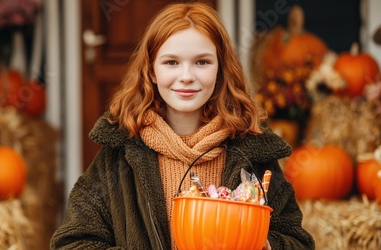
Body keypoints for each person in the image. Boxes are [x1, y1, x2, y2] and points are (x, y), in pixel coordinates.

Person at [51, 2, 315, 249]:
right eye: (171, 62)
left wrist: (264, 244)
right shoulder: (119, 153)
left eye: (202, 62)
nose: (186, 76)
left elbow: (296, 240)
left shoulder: (252, 150)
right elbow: (72, 242)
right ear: (152, 71)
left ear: (220, 69)